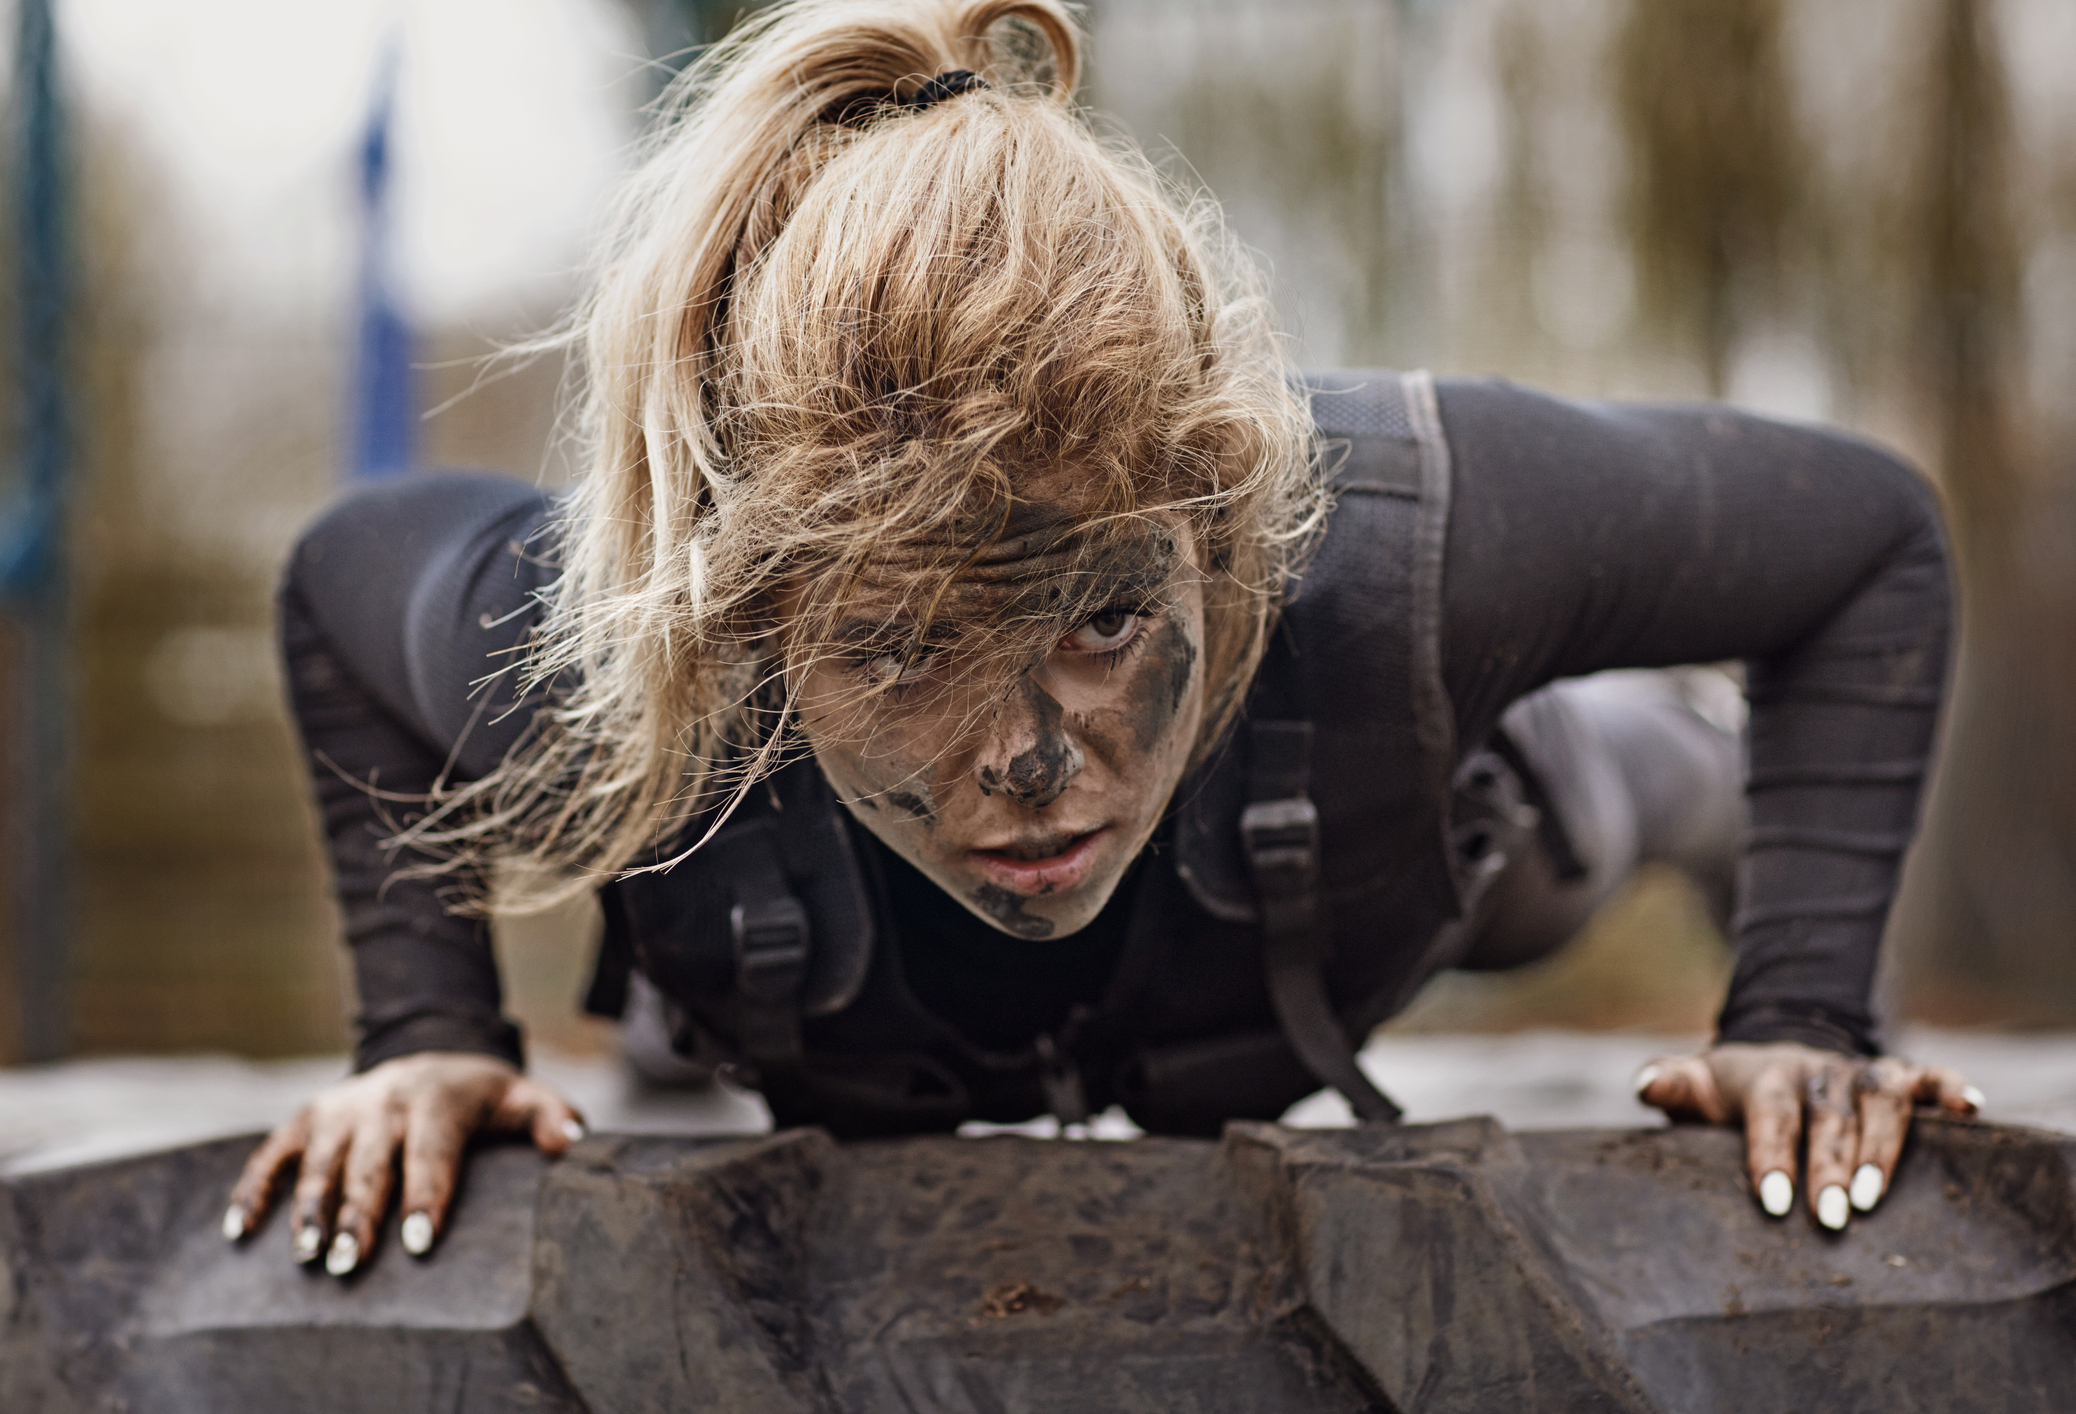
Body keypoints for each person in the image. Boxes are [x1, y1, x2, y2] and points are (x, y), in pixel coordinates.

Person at [222, 0, 1976, 1279]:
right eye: (902, 647)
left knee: (1574, 813)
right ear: (749, 619)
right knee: (696, 910)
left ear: (1221, 520)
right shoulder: (627, 646)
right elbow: (336, 582)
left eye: (1105, 614)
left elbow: (1861, 543)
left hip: (1379, 857)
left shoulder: (1398, 532)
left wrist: (1801, 1004)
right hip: (789, 936)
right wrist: (428, 1033)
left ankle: (1684, 788)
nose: (1030, 765)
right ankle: (709, 981)